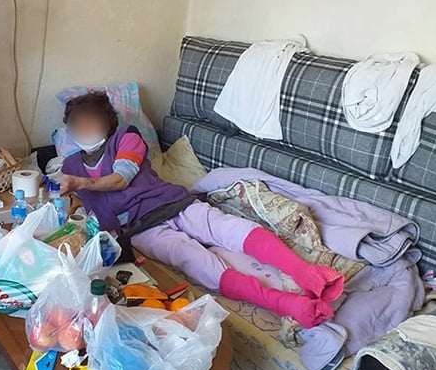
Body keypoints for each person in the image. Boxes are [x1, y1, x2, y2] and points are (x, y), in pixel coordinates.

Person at [60, 92, 344, 328]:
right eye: (76, 124)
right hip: (141, 231)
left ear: (107, 121)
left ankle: (307, 274)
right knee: (198, 264)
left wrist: (81, 182)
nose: (83, 128)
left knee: (231, 229)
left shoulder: (126, 136)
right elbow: (72, 206)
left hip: (173, 203)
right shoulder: (70, 166)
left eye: (90, 120)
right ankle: (286, 303)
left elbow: (122, 176)